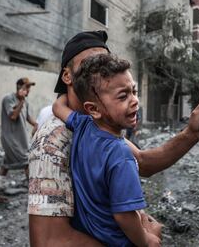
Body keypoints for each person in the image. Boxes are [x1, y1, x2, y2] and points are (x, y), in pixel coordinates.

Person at [28, 30, 199, 246]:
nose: (100, 68)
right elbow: (48, 241)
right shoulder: (52, 139)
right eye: (91, 63)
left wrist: (191, 134)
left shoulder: (92, 125)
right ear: (67, 76)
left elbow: (143, 161)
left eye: (106, 62)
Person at [53, 54, 160, 246]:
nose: (135, 100)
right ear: (93, 109)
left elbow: (57, 106)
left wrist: (69, 88)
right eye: (123, 96)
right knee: (157, 231)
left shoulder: (82, 125)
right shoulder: (120, 154)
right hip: (117, 240)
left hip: (90, 233)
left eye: (134, 91)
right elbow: (124, 216)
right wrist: (147, 240)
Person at [0, 78, 38, 203]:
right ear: (19, 88)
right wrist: (21, 101)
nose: (28, 91)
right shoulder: (8, 99)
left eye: (29, 88)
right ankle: (35, 194)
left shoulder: (25, 102)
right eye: (26, 88)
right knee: (27, 162)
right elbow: (13, 116)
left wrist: (37, 124)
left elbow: (27, 117)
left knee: (5, 165)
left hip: (20, 139)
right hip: (11, 139)